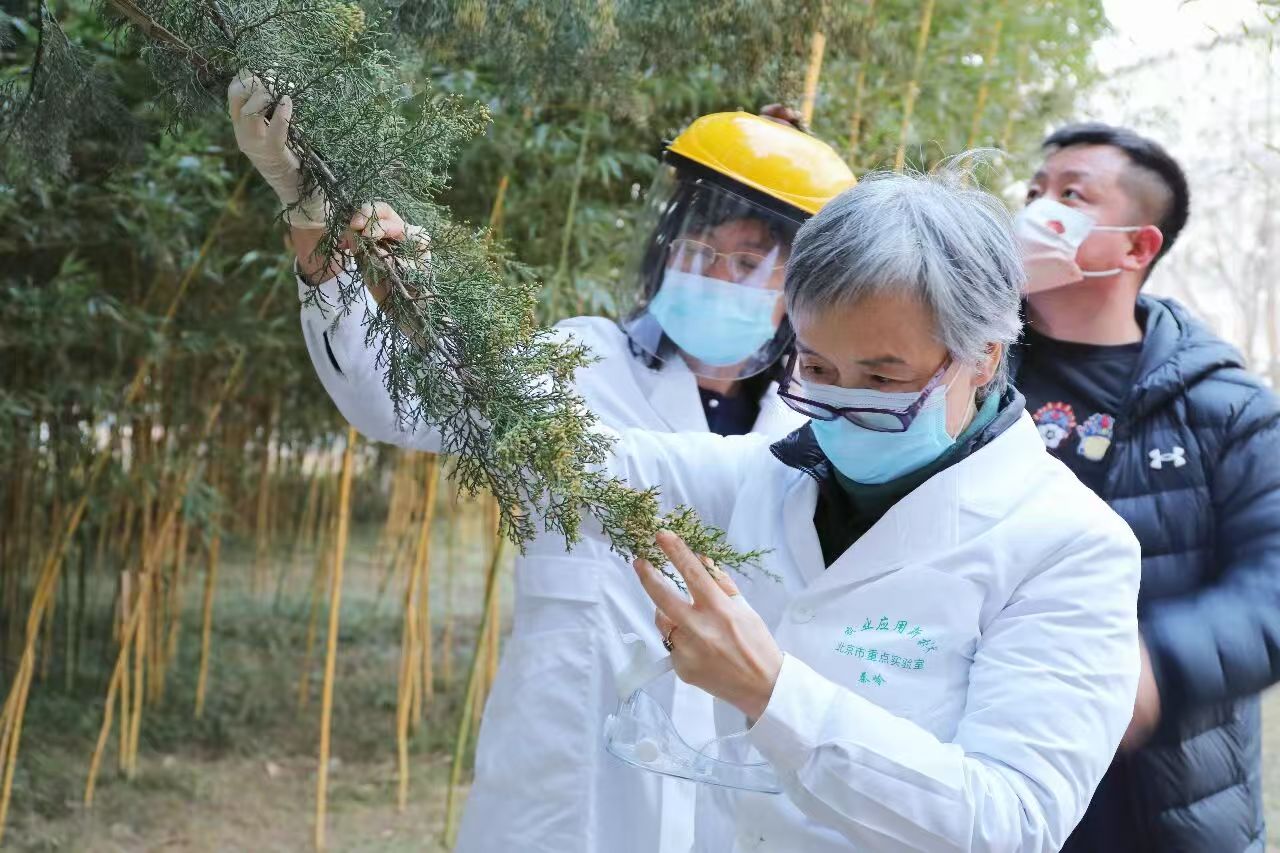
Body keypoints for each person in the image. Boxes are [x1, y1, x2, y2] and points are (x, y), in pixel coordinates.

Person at [227, 74, 855, 853]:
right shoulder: (580, 363)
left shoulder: (829, 424)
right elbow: (387, 401)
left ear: (799, 288)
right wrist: (315, 223)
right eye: (700, 252)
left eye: (748, 261)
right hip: (563, 793)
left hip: (740, 804)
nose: (716, 278)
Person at [606, 165, 1143, 850]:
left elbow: (1012, 821)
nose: (842, 403)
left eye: (883, 377)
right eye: (818, 369)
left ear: (982, 356)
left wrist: (771, 691)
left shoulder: (1070, 544)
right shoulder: (767, 477)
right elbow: (571, 457)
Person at [1013, 122, 1280, 852]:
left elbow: (1272, 588)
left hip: (1156, 797)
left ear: (1137, 246)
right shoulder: (965, 369)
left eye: (1071, 195)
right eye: (1034, 192)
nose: (1036, 210)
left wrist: (1156, 666)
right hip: (980, 768)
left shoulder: (1227, 409)